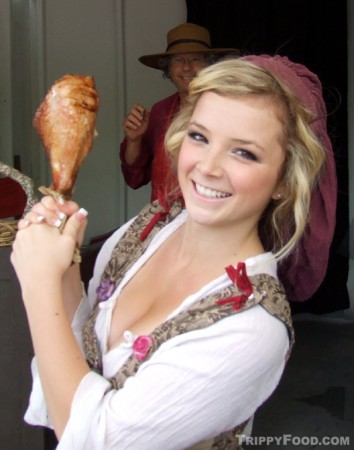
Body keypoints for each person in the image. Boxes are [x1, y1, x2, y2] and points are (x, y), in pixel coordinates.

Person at [11, 55, 336, 449]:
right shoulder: (152, 227)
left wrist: (38, 284)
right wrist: (63, 268)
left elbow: (95, 441)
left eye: (244, 153)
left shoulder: (252, 330)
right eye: (200, 136)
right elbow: (78, 338)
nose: (208, 166)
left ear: (285, 181)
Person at [120, 22, 238, 201]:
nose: (186, 67)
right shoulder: (160, 111)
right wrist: (134, 140)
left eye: (195, 59)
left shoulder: (230, 109)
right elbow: (135, 179)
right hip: (164, 221)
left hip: (213, 218)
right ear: (168, 68)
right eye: (178, 60)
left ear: (210, 64)